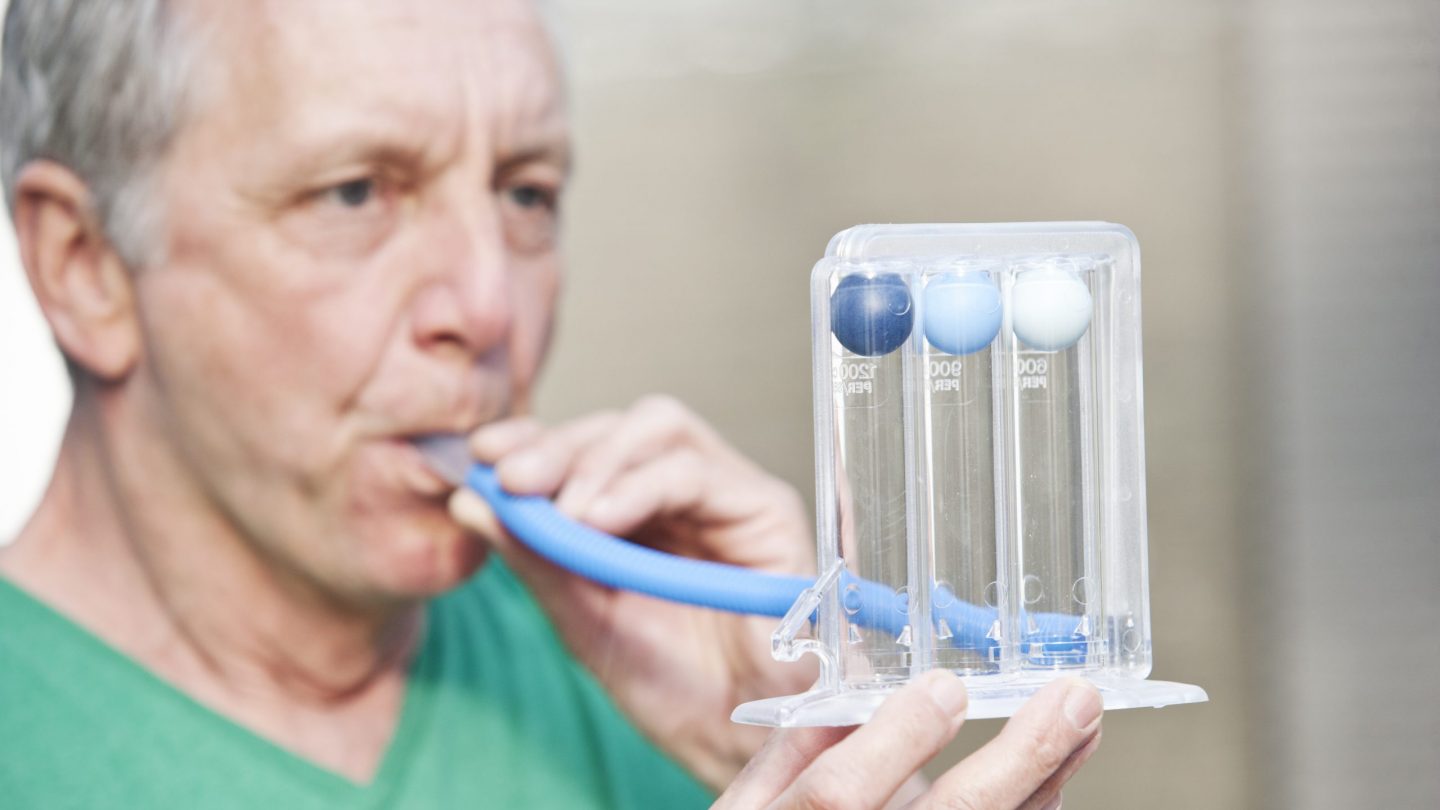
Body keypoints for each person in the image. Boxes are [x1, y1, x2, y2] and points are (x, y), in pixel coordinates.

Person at [0, 0, 1104, 807]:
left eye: (527, 192)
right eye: (355, 192)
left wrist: (794, 744)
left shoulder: (670, 675)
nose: (487, 304)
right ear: (82, 263)